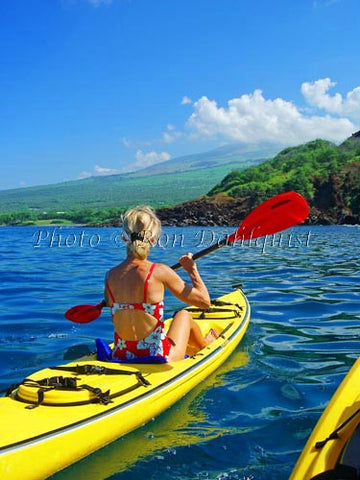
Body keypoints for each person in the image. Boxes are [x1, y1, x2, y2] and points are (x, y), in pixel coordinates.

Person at [104, 205, 218, 362]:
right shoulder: (160, 271)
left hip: (121, 355)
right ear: (153, 239)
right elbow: (205, 302)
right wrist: (191, 270)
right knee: (183, 315)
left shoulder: (110, 276)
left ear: (124, 237)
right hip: (159, 356)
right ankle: (206, 345)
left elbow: (112, 304)